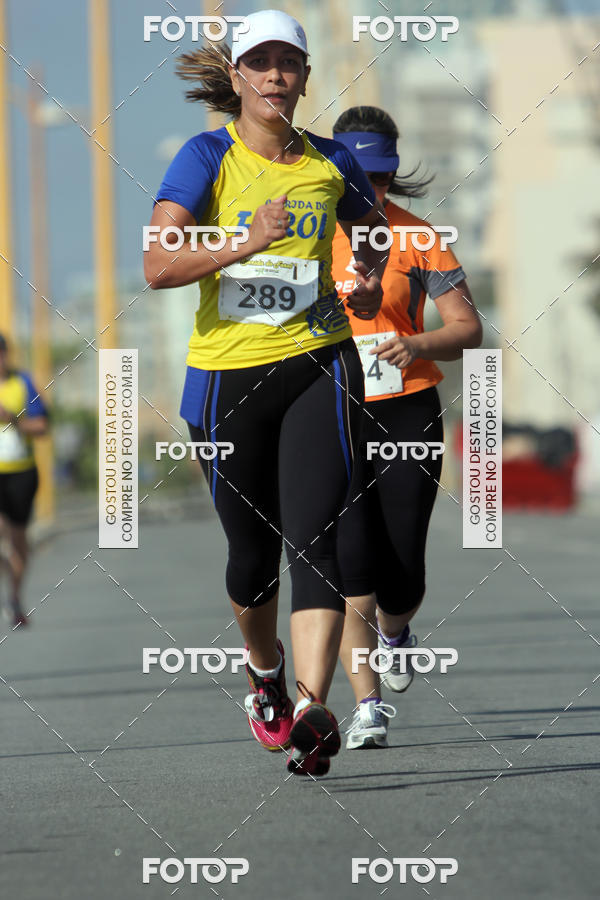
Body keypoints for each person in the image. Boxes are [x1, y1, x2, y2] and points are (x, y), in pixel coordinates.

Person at [144, 11, 389, 775]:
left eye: (290, 63)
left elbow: (371, 224)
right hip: (228, 379)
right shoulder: (206, 156)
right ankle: (264, 670)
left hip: (321, 361)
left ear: (307, 78)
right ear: (239, 77)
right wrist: (246, 241)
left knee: (315, 537)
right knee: (251, 559)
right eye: (262, 63)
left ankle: (314, 711)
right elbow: (157, 263)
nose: (277, 75)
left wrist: (370, 274)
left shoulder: (333, 160)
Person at [330, 106, 483, 749]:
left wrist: (415, 343)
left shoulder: (419, 238)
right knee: (350, 561)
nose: (374, 191)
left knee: (403, 567)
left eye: (384, 178)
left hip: (406, 406)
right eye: (361, 178)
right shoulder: (304, 235)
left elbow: (468, 328)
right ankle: (366, 707)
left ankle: (397, 632)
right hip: (329, 407)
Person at [0, 334, 49, 627]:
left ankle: (15, 597)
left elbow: (41, 426)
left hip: (21, 472)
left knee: (19, 542)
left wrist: (13, 419)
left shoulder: (23, 383)